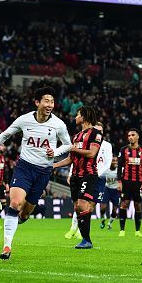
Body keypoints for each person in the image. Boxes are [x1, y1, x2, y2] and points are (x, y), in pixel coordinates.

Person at [0, 86, 71, 260]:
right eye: (46, 101)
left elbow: (68, 144)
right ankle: (7, 246)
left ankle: (17, 221)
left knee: (25, 213)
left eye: (52, 101)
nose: (50, 104)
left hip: (44, 171)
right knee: (14, 203)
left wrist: (55, 152)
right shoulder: (24, 120)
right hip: (24, 167)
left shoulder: (58, 124)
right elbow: (4, 135)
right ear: (37, 102)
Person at [54, 106, 102, 248]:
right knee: (77, 207)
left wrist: (73, 148)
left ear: (84, 117)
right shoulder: (75, 137)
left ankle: (87, 240)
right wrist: (54, 166)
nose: (75, 117)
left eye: (78, 114)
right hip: (75, 176)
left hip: (88, 174)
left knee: (82, 204)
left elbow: (92, 153)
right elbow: (70, 159)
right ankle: (84, 240)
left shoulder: (96, 133)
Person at [117, 128, 142, 237]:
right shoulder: (123, 150)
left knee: (138, 205)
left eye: (133, 135)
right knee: (124, 204)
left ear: (137, 136)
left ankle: (137, 231)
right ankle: (122, 230)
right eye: (129, 135)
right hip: (126, 182)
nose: (130, 137)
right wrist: (119, 181)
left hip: (138, 183)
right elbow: (119, 166)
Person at [101, 156, 120, 230]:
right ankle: (103, 219)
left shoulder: (120, 170)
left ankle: (110, 224)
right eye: (113, 160)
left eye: (116, 160)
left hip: (116, 191)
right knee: (103, 208)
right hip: (107, 190)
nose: (115, 162)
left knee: (115, 210)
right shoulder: (106, 170)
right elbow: (99, 175)